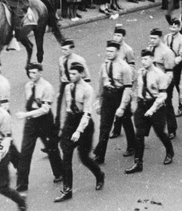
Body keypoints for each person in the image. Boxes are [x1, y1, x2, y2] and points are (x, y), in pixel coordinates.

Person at [55, 62, 105, 202]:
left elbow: (87, 114)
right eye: (70, 74)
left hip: (84, 125)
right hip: (70, 123)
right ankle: (67, 190)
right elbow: (68, 108)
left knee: (84, 157)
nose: (71, 76)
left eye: (74, 74)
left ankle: (99, 175)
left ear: (81, 74)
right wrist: (65, 128)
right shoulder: (67, 88)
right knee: (66, 157)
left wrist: (78, 131)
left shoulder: (87, 89)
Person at [119, 49, 174, 174]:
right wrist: (134, 102)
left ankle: (169, 151)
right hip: (142, 105)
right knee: (139, 134)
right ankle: (138, 162)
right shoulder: (140, 73)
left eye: (146, 59)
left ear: (152, 59)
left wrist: (152, 109)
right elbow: (134, 87)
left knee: (160, 132)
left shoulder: (160, 75)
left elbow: (162, 96)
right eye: (142, 59)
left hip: (156, 106)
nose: (143, 61)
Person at [14, 62, 64, 192]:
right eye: (30, 73)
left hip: (44, 121)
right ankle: (22, 183)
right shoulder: (28, 86)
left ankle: (59, 173)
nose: (31, 75)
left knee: (51, 147)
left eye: (34, 73)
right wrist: (29, 115)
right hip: (31, 122)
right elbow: (29, 102)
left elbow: (45, 109)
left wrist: (25, 114)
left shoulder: (47, 87)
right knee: (25, 152)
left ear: (40, 73)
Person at [93, 40, 134, 164]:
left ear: (117, 51)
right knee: (104, 126)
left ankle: (132, 146)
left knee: (126, 122)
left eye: (111, 51)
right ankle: (100, 155)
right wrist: (98, 101)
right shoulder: (104, 65)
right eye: (107, 51)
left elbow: (128, 88)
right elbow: (100, 83)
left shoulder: (124, 67)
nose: (108, 53)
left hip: (120, 95)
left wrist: (122, 106)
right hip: (107, 97)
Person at [149, 27, 177, 139]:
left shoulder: (167, 52)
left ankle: (172, 129)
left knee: (167, 105)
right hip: (153, 82)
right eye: (150, 38)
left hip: (165, 81)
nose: (152, 40)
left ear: (160, 38)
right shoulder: (150, 48)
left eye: (154, 38)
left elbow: (169, 71)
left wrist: (164, 86)